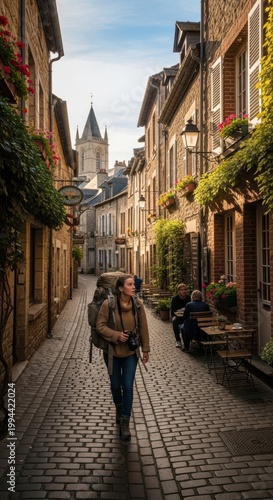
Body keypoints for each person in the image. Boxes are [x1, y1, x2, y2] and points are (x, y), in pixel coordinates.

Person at [96, 274, 150, 442]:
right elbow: (100, 326)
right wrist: (116, 335)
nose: (133, 287)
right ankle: (119, 407)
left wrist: (146, 349)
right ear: (120, 288)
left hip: (130, 353)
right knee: (115, 386)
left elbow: (143, 327)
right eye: (129, 284)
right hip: (112, 352)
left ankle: (125, 421)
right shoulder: (108, 305)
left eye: (134, 284)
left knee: (127, 386)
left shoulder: (138, 305)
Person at [171, 283, 191, 348]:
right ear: (179, 291)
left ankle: (190, 340)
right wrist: (180, 311)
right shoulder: (175, 299)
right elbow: (173, 311)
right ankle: (178, 340)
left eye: (185, 289)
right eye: (182, 290)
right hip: (178, 317)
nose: (184, 291)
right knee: (174, 321)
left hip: (187, 317)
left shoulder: (189, 298)